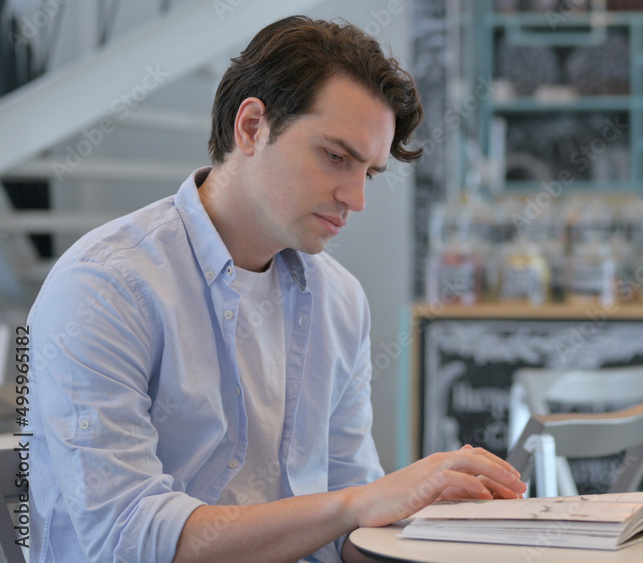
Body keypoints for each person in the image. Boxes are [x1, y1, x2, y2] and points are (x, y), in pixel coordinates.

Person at [27, 15, 525, 563]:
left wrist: (437, 532)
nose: (355, 199)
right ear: (251, 127)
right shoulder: (105, 287)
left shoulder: (339, 300)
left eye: (370, 172)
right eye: (336, 157)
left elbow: (349, 535)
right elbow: (127, 539)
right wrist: (359, 504)